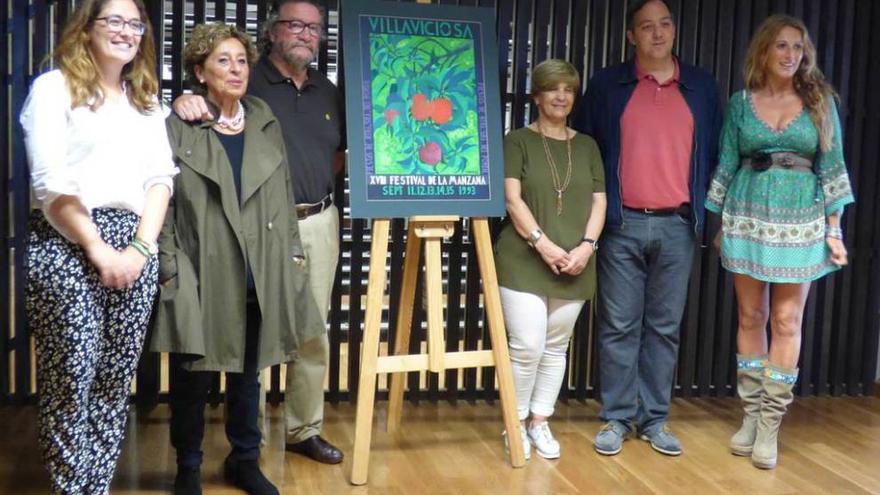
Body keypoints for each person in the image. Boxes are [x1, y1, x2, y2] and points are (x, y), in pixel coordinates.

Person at [150, 23, 324, 495]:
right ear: (199, 72)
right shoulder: (178, 125)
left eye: (242, 61)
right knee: (194, 377)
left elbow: (282, 196)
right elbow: (158, 201)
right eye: (223, 61)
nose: (235, 69)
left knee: (250, 375)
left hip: (258, 268)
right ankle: (188, 464)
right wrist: (168, 270)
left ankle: (244, 460)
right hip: (200, 269)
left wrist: (291, 260)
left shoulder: (263, 117)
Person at [18, 0, 176, 492]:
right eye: (114, 21)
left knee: (113, 386)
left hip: (136, 245)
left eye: (135, 24)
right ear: (86, 28)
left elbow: (160, 179)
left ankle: (97, 486)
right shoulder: (53, 88)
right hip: (66, 241)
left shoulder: (145, 100)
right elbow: (49, 183)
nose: (126, 32)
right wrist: (98, 249)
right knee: (71, 381)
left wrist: (139, 251)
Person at [705, 14, 854, 470]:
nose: (791, 55)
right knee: (752, 314)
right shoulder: (740, 103)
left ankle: (770, 424)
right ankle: (749, 417)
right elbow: (727, 161)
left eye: (798, 47)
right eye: (782, 47)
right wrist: (716, 222)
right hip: (747, 216)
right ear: (764, 53)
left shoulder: (820, 103)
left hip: (801, 220)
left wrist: (834, 229)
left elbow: (833, 167)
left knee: (787, 321)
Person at [572, 0, 721, 457]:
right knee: (618, 325)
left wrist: (713, 218)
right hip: (622, 223)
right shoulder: (607, 86)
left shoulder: (701, 87)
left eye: (665, 24)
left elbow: (716, 156)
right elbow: (585, 154)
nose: (658, 33)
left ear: (674, 30)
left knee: (664, 327)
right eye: (646, 27)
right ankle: (617, 417)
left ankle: (655, 419)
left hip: (678, 224)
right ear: (631, 36)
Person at [495, 59, 606, 460]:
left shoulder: (588, 145)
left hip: (576, 261)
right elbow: (512, 199)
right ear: (536, 95)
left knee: (556, 347)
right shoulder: (517, 140)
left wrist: (587, 247)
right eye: (553, 88)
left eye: (568, 89)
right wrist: (542, 244)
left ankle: (539, 421)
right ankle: (515, 421)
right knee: (526, 345)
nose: (561, 96)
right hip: (525, 257)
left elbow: (600, 201)